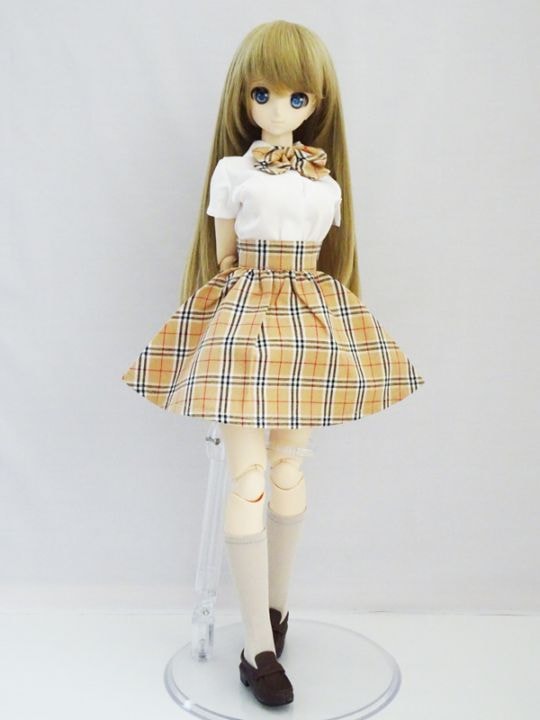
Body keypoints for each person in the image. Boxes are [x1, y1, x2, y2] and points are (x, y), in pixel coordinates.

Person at [121, 19, 425, 707]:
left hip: (308, 318)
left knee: (289, 471)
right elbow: (223, 254)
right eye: (263, 94)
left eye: (297, 97)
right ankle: (256, 646)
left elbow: (330, 256)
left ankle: (278, 610)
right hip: (245, 314)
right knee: (249, 480)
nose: (279, 108)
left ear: (317, 104)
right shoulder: (233, 172)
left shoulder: (325, 180)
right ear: (244, 98)